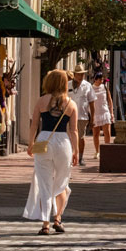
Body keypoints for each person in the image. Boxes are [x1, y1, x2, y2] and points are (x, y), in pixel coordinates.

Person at [23, 69, 79, 235]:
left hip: (44, 140)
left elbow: (34, 124)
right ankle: (58, 218)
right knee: (62, 184)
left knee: (44, 184)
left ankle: (45, 224)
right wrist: (76, 151)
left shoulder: (41, 101)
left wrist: (31, 143)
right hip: (63, 142)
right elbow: (74, 130)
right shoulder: (71, 104)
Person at [69, 64, 96, 167]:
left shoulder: (88, 86)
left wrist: (92, 119)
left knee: (80, 137)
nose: (81, 76)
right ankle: (70, 156)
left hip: (82, 116)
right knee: (69, 137)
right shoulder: (68, 85)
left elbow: (92, 103)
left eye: (82, 74)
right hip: (69, 116)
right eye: (79, 74)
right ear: (74, 74)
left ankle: (80, 157)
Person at [90, 72, 113, 160]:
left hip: (105, 111)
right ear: (95, 79)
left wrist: (111, 113)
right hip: (95, 113)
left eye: (102, 79)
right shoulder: (91, 88)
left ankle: (107, 150)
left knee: (107, 132)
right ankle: (97, 151)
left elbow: (109, 100)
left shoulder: (105, 87)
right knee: (95, 133)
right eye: (100, 79)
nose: (101, 81)